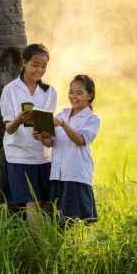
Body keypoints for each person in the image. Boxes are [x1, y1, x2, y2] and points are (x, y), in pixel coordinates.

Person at [0, 43, 57, 228]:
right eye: (35, 64)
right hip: (20, 155)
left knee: (47, 203)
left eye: (44, 66)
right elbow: (9, 128)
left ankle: (49, 245)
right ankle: (37, 248)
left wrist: (43, 135)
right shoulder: (11, 90)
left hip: (43, 156)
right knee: (32, 203)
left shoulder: (49, 91)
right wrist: (19, 119)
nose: (39, 70)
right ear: (23, 63)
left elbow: (48, 134)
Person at [34, 74, 100, 224]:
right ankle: (63, 246)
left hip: (75, 175)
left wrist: (64, 124)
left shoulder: (92, 119)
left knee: (74, 220)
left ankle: (74, 246)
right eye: (71, 92)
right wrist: (42, 137)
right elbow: (51, 143)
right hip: (58, 175)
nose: (74, 96)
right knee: (59, 220)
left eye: (79, 93)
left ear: (89, 95)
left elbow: (80, 140)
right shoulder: (62, 114)